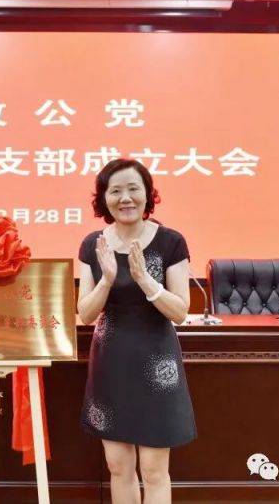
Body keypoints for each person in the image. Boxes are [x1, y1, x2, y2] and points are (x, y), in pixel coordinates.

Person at [77, 159, 196, 504]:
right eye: (115, 191)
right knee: (118, 466)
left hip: (158, 363)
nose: (125, 198)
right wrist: (107, 280)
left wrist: (146, 281)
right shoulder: (94, 245)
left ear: (147, 194)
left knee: (154, 470)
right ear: (104, 198)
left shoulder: (171, 241)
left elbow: (180, 312)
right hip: (111, 362)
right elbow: (86, 314)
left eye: (133, 189)